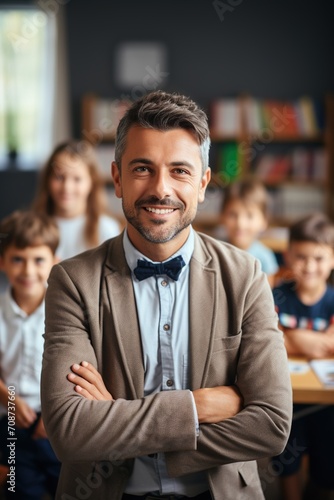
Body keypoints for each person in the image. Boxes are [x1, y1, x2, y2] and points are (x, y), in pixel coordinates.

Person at [41, 90, 292, 500]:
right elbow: (70, 432)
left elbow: (272, 425)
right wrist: (198, 407)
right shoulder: (71, 281)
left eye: (179, 171)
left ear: (204, 183)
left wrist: (117, 423)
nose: (161, 189)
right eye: (143, 168)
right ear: (117, 178)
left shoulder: (246, 276)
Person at [272, 212, 334, 500]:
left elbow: (329, 347)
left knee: (326, 469)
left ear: (332, 260)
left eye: (319, 258)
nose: (309, 266)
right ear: (287, 255)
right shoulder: (276, 295)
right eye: (301, 257)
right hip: (287, 400)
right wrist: (317, 341)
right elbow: (268, 341)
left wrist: (287, 336)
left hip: (327, 403)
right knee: (286, 461)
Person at [0, 210, 61, 499]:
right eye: (17, 259)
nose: (27, 271)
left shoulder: (63, 310)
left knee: (63, 485)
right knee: (21, 489)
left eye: (38, 260)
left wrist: (53, 415)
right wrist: (9, 400)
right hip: (11, 420)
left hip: (56, 419)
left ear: (54, 263)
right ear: (2, 261)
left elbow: (76, 365)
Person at [33, 139, 121, 260]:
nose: (67, 187)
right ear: (47, 179)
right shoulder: (33, 227)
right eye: (59, 177)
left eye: (77, 179)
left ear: (92, 183)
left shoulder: (106, 228)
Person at [219, 179, 279, 286]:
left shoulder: (265, 257)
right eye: (233, 214)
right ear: (222, 216)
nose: (240, 224)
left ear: (264, 221)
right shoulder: (216, 252)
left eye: (250, 216)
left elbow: (266, 297)